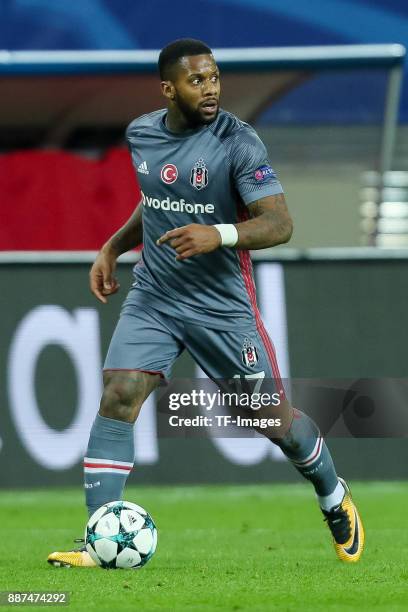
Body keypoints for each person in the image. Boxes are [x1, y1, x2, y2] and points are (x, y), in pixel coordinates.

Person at [48, 38, 364, 567]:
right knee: (120, 391)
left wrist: (218, 234)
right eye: (198, 80)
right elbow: (155, 201)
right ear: (169, 89)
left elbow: (280, 224)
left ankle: (334, 496)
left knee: (270, 419)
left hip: (222, 306)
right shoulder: (141, 133)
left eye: (215, 77)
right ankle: (96, 538)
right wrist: (113, 246)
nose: (211, 88)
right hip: (156, 293)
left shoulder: (240, 143)